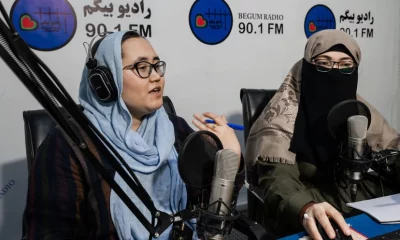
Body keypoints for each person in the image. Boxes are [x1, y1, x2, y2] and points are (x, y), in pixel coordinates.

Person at [21, 30, 243, 240]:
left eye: (157, 66)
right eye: (142, 67)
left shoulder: (175, 129)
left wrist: (230, 159)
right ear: (105, 82)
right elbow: (48, 233)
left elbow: (213, 217)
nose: (156, 76)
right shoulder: (68, 143)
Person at [244, 29, 400, 240]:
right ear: (307, 68)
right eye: (324, 63)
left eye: (346, 65)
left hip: (352, 196)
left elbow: (391, 149)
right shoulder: (283, 116)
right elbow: (278, 180)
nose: (334, 73)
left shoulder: (358, 110)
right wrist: (306, 208)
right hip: (307, 203)